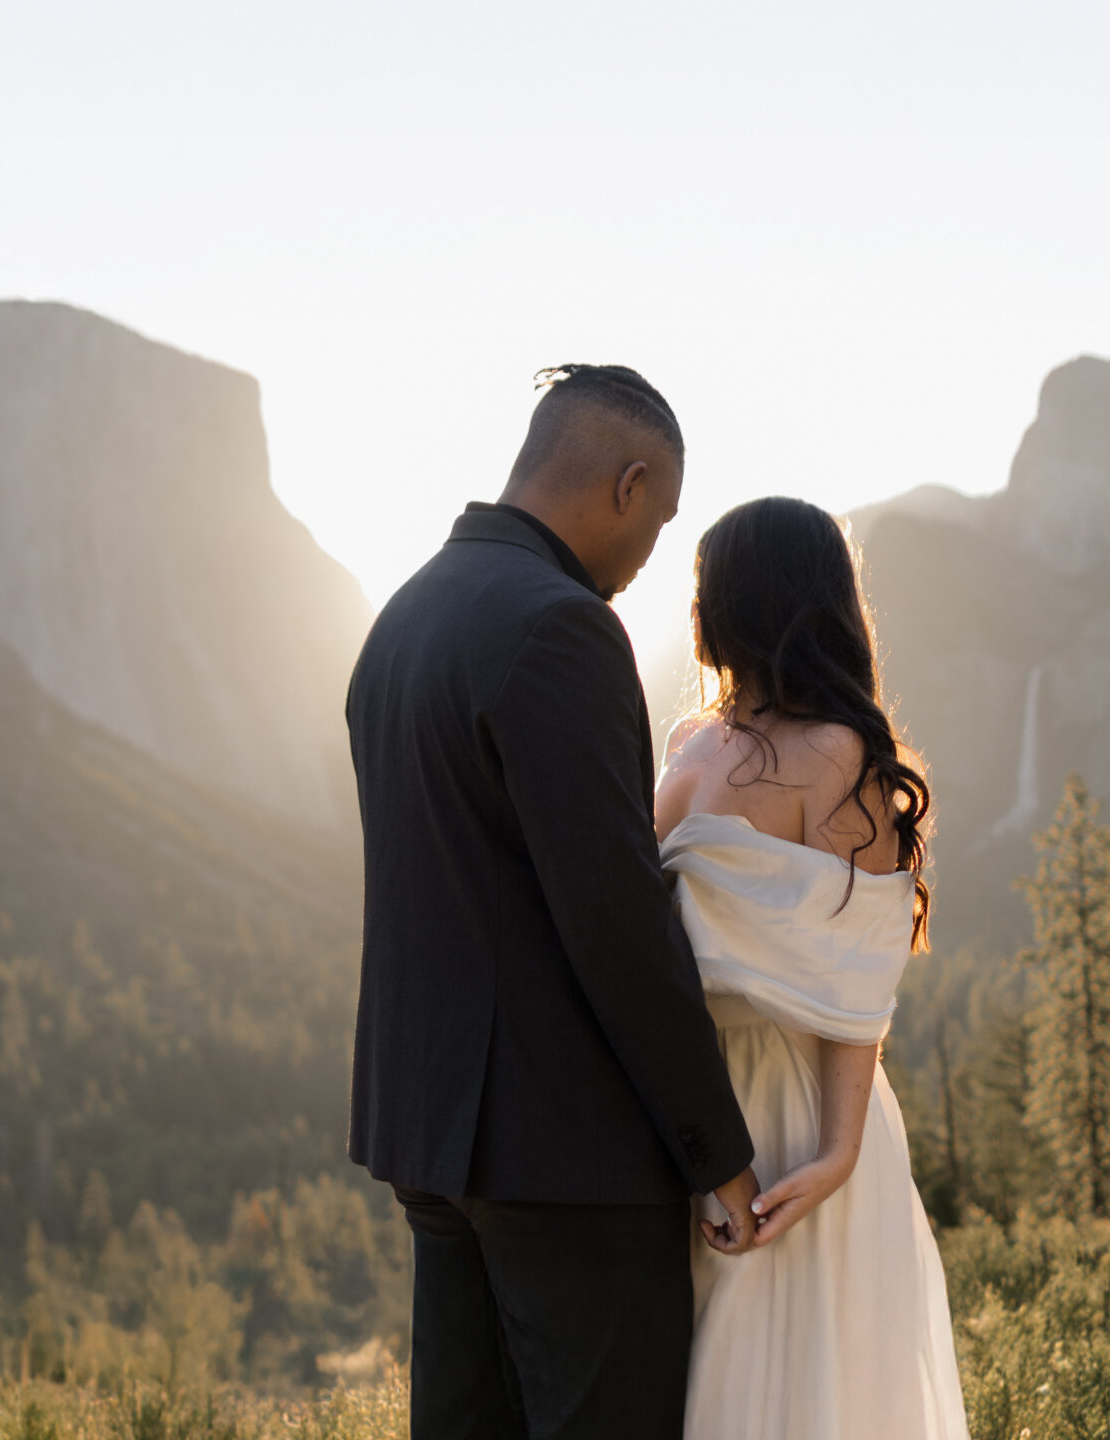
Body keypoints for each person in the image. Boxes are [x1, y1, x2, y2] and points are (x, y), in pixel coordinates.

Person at [344, 364, 762, 1440]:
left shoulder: (404, 616)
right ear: (627, 484)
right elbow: (614, 918)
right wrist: (714, 1147)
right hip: (562, 1155)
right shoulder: (560, 627)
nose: (649, 555)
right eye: (660, 520)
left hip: (432, 1135)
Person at [655, 496, 969, 1440]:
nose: (696, 608)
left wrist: (834, 1156)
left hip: (798, 1110)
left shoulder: (840, 756)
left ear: (759, 597)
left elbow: (856, 980)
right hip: (690, 1096)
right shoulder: (684, 743)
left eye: (710, 586)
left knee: (777, 1384)